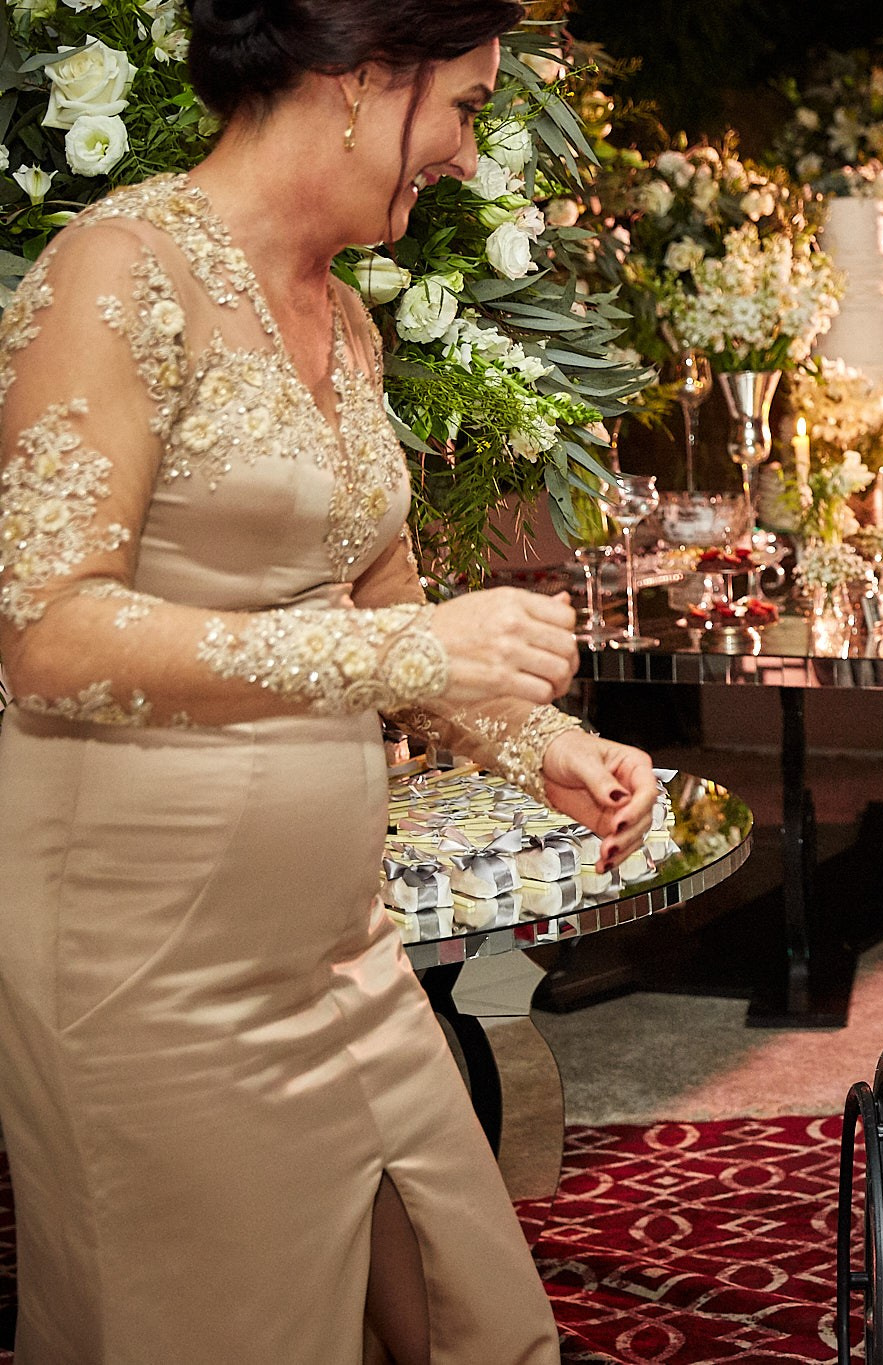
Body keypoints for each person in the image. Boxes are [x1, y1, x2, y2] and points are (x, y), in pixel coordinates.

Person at [0, 2, 662, 1360]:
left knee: (482, 1319)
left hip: (340, 952)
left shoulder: (344, 319)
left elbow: (382, 611)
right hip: (151, 969)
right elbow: (47, 633)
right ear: (363, 77)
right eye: (468, 108)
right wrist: (404, 652)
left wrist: (535, 744)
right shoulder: (115, 269)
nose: (471, 158)